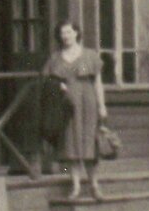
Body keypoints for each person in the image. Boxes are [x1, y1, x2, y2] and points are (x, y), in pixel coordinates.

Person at [42, 20, 108, 201]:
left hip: (88, 102)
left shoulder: (90, 55)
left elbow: (97, 83)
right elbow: (47, 81)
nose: (66, 36)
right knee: (71, 144)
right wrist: (59, 86)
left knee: (90, 144)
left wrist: (102, 105)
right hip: (67, 104)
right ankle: (76, 187)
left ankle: (94, 185)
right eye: (63, 33)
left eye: (69, 32)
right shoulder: (55, 58)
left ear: (77, 33)